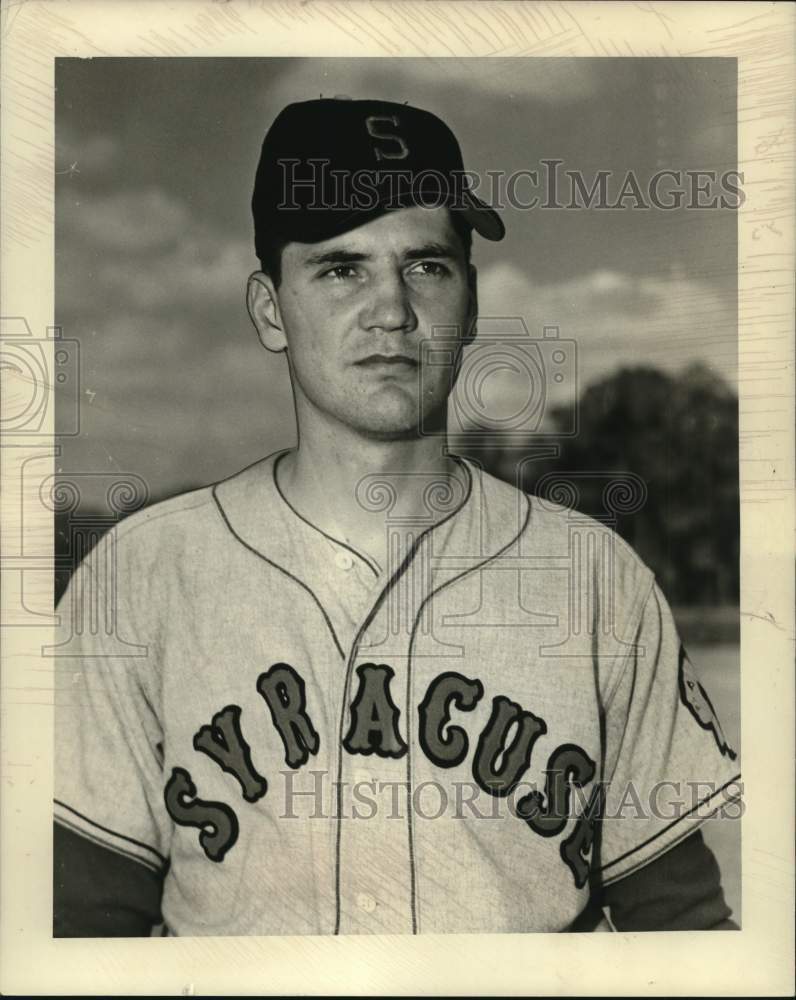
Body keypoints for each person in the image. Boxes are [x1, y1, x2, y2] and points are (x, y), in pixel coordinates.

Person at [53, 97, 741, 936]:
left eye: (427, 266)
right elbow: (79, 930)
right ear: (270, 309)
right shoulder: (142, 578)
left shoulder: (596, 580)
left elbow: (682, 930)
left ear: (472, 302)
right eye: (341, 268)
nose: (392, 310)